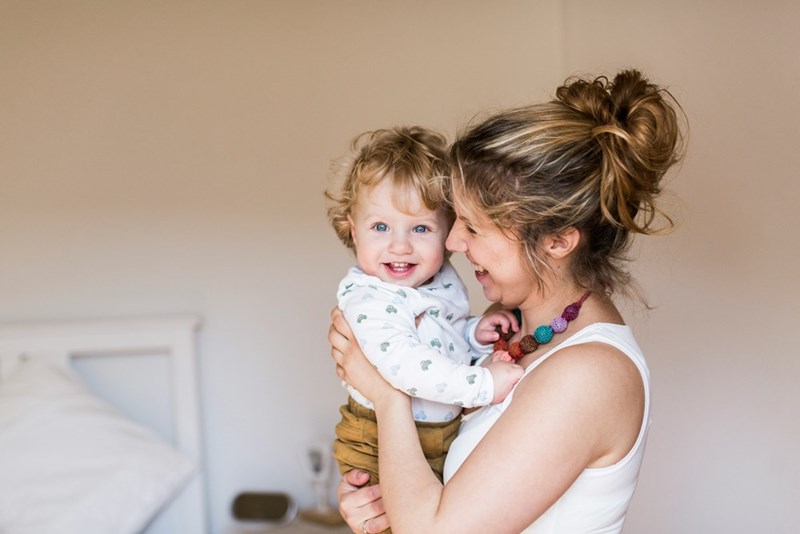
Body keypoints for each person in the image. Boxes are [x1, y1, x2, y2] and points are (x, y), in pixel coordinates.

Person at [329, 69, 684, 533]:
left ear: (558, 241)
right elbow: (437, 495)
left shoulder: (589, 375)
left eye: (473, 227)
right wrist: (378, 498)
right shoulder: (517, 332)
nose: (453, 242)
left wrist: (387, 395)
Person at [325, 126, 525, 491]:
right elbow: (406, 364)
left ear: (448, 234)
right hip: (377, 440)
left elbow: (441, 338)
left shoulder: (439, 281)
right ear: (354, 231)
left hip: (433, 434)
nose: (399, 246)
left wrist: (474, 333)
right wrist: (482, 384)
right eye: (381, 226)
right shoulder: (370, 297)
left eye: (420, 229)